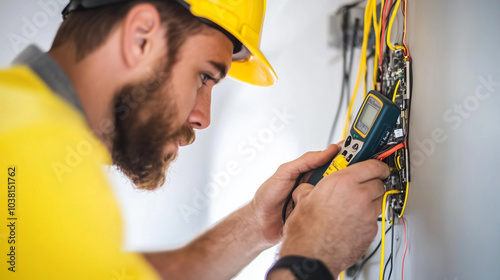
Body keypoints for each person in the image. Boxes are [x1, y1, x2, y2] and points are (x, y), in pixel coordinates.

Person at [0, 0, 389, 279]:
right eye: (204, 76)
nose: (202, 117)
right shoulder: (29, 154)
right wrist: (312, 258)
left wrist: (257, 224)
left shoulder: (22, 125)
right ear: (140, 38)